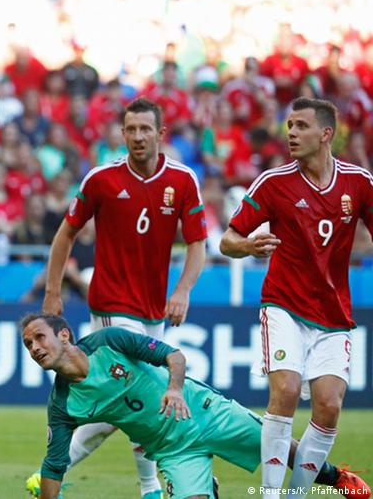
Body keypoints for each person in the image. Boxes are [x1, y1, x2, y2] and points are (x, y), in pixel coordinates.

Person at [40, 97, 207, 499]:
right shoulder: (101, 179)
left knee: (121, 404)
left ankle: (47, 473)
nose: (137, 137)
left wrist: (182, 289)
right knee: (143, 392)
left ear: (160, 134)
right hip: (111, 305)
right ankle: (150, 488)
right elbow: (65, 233)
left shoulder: (182, 181)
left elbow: (199, 243)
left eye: (145, 129)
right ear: (122, 133)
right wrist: (52, 292)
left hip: (153, 308)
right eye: (130, 130)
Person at [20, 313, 370, 499]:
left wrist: (174, 389)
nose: (34, 348)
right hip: (172, 451)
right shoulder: (62, 404)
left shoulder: (108, 341)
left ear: (63, 334)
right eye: (27, 345)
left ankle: (338, 478)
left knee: (276, 448)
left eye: (39, 337)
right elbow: (53, 467)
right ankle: (206, 488)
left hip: (206, 413)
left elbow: (174, 355)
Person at [220, 97, 373, 498]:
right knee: (285, 390)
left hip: (333, 313)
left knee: (329, 405)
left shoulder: (358, 183)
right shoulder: (273, 183)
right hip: (283, 305)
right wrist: (248, 246)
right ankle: (270, 495)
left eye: (301, 125)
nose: (291, 132)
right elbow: (227, 239)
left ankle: (296, 495)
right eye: (289, 125)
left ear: (325, 134)